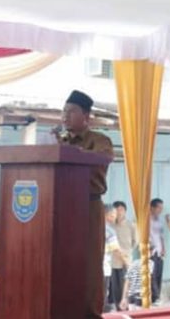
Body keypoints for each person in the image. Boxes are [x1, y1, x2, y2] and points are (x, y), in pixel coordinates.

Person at [54, 89, 114, 318]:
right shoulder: (60, 141)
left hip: (88, 207)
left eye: (71, 111)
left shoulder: (100, 141)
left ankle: (90, 314)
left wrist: (65, 151)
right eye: (63, 111)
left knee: (89, 263)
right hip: (60, 208)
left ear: (86, 116)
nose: (65, 116)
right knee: (61, 260)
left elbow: (97, 164)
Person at [110, 201, 136, 310]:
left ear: (125, 211)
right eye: (116, 210)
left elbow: (135, 241)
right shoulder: (110, 225)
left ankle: (127, 308)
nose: (119, 212)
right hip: (113, 261)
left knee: (125, 285)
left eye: (121, 210)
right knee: (115, 287)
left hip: (126, 260)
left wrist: (127, 252)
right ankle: (118, 308)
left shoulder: (131, 225)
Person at [103, 206, 122, 312]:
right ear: (107, 215)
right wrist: (126, 262)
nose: (115, 217)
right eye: (114, 215)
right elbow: (116, 249)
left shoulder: (91, 226)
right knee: (103, 292)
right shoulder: (109, 231)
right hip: (104, 265)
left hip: (91, 266)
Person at [148, 198, 166, 305]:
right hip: (150, 251)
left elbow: (161, 235)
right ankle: (154, 297)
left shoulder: (160, 220)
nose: (160, 210)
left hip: (159, 251)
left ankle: (157, 296)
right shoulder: (146, 220)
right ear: (152, 208)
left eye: (161, 208)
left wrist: (163, 248)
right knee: (152, 275)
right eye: (159, 208)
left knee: (159, 273)